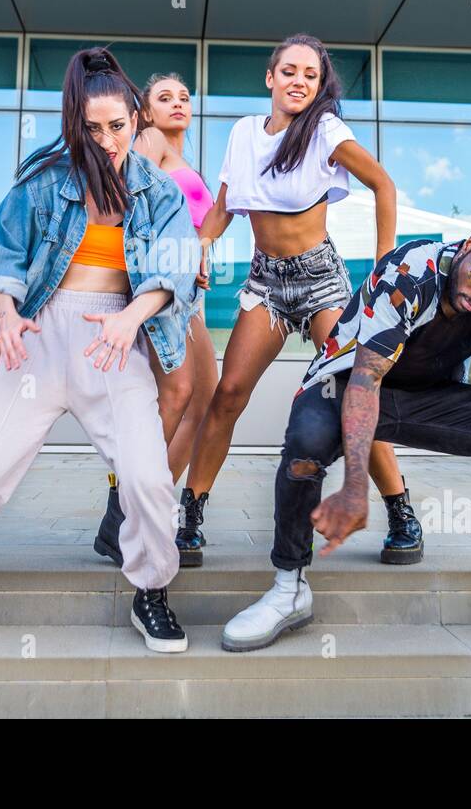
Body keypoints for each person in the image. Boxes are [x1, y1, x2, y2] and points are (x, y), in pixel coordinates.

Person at [0, 47, 201, 655]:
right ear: (75, 123)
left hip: (114, 340)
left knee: (148, 478)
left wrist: (129, 318)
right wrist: (5, 314)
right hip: (35, 338)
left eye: (118, 126)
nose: (106, 141)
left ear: (137, 117)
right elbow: (1, 253)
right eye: (92, 128)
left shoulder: (158, 192)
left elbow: (176, 267)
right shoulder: (45, 180)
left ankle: (151, 591)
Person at [221, 205, 471, 652]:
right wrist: (353, 486)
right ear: (470, 245)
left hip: (430, 399)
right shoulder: (411, 271)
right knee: (307, 443)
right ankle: (288, 587)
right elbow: (366, 380)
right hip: (350, 384)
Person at [175, 33, 417, 568]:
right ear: (270, 77)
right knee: (229, 392)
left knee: (355, 391)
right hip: (265, 281)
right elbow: (223, 207)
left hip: (321, 279)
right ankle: (189, 516)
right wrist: (201, 244)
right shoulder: (242, 134)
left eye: (310, 75)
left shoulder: (326, 131)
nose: (299, 82)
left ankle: (402, 513)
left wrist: (382, 264)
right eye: (289, 71)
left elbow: (384, 185)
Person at [92, 72, 220, 568]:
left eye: (184, 97)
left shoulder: (186, 159)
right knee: (177, 394)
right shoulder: (146, 140)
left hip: (189, 289)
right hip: (163, 290)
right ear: (145, 110)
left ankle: (142, 507)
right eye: (164, 98)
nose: (178, 104)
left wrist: (201, 250)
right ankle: (127, 513)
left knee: (203, 400)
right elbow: (127, 208)